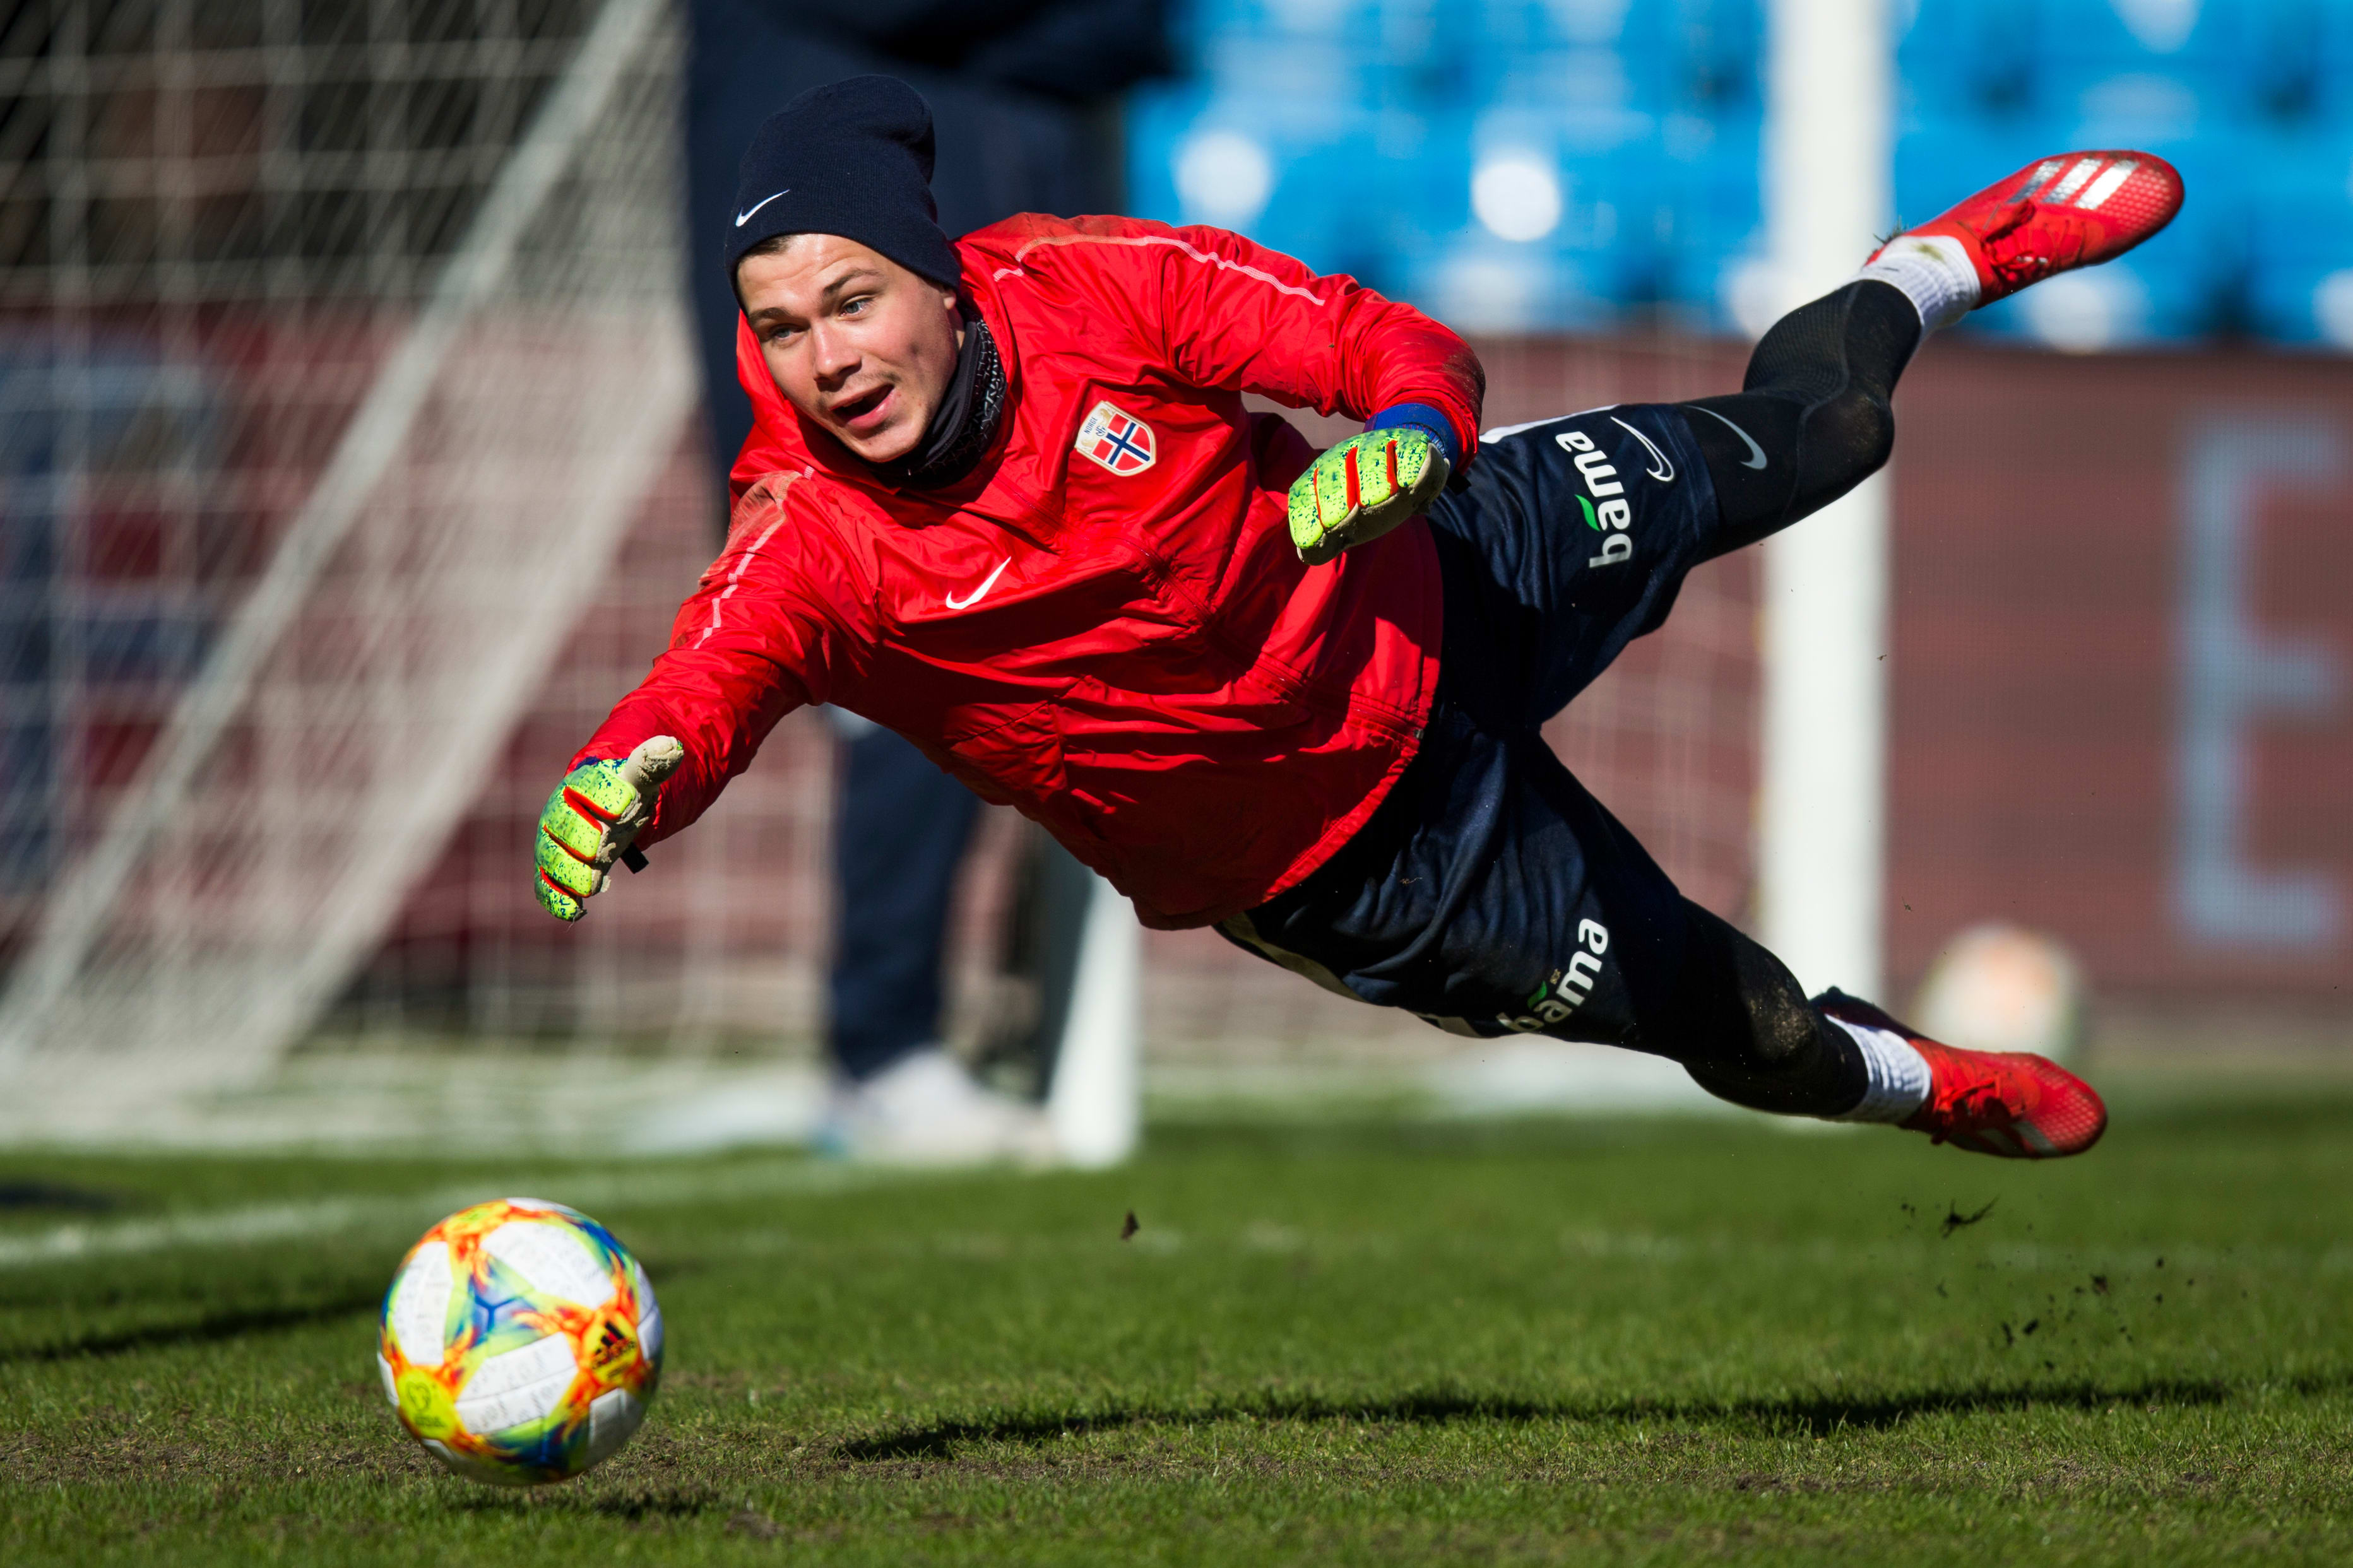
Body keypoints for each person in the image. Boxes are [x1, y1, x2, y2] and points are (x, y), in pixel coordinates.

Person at [537, 78, 2181, 1160]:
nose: (826, 361)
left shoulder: (1088, 284)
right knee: (1742, 1024)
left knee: (1831, 437)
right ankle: (1921, 1083)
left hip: (1456, 563)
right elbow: (706, 680)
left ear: (941, 283)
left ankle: (1925, 267)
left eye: (852, 302)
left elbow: (1383, 341)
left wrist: (1412, 436)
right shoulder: (807, 532)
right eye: (781, 329)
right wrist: (627, 780)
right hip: (1369, 863)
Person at [681, 7, 1167, 1162]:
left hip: (1024, 221)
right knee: (906, 629)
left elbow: (1136, 29)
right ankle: (884, 1050)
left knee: (1093, 614)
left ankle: (980, 1007)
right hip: (900, 261)